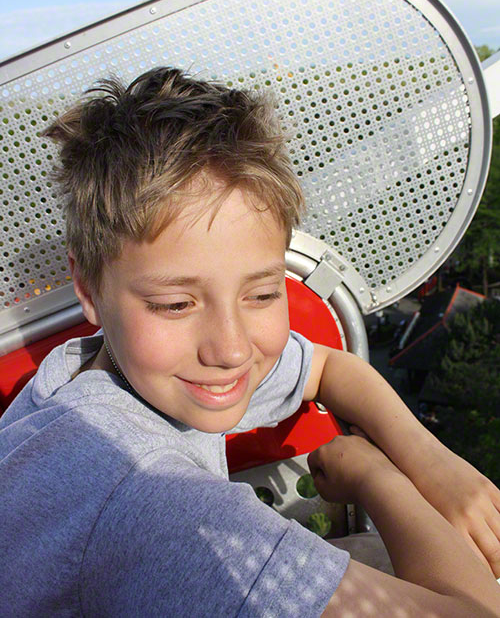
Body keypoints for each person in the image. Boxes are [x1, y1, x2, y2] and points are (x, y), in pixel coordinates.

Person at [0, 66, 499, 617]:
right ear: (89, 290)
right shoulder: (149, 502)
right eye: (175, 305)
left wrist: (433, 463)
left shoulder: (112, 371)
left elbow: (329, 368)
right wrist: (373, 473)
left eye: (262, 294)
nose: (231, 350)